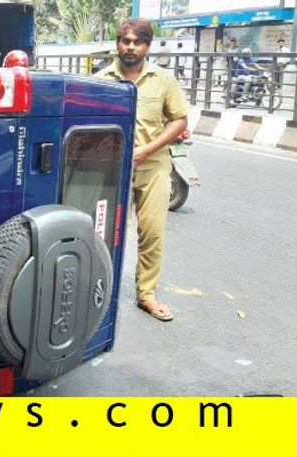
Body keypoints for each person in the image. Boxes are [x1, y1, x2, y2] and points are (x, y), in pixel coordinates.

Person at [95, 19, 188, 322]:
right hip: (110, 169)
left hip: (153, 166)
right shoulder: (101, 80)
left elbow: (179, 120)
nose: (131, 46)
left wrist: (145, 150)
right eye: (126, 40)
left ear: (147, 46)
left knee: (152, 232)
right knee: (102, 232)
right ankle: (96, 292)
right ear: (117, 43)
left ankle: (146, 294)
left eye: (138, 41)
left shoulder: (163, 80)